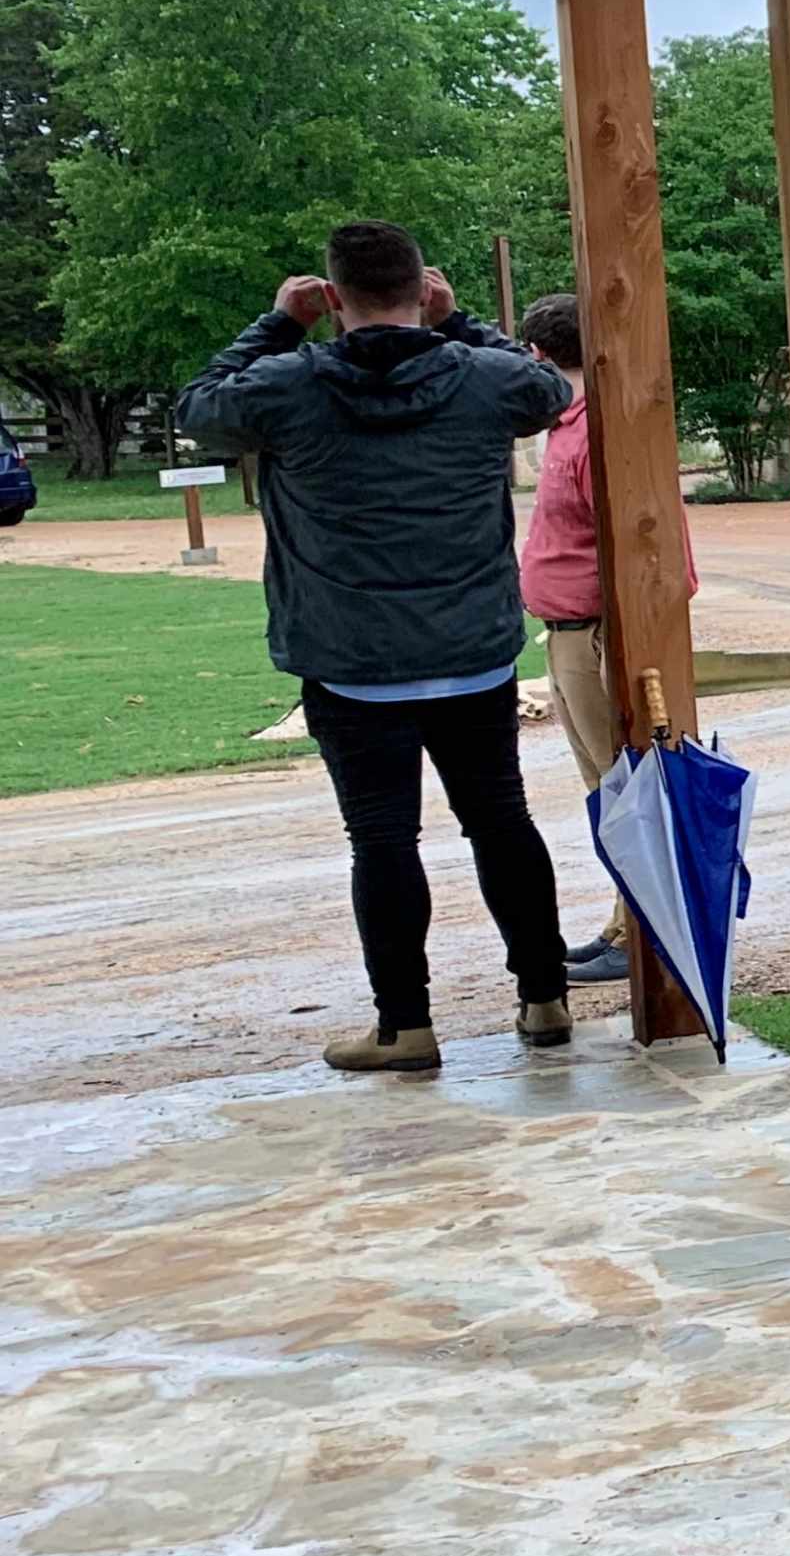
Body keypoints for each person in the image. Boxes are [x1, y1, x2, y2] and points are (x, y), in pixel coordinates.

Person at [178, 221, 576, 1073]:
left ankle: (407, 1026)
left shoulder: (287, 385)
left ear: (333, 295)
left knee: (384, 840)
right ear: (419, 288)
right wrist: (458, 320)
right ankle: (544, 998)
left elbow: (197, 408)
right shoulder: (481, 378)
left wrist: (279, 323)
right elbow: (548, 391)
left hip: (352, 663)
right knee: (501, 822)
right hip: (472, 652)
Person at [515, 292, 697, 988]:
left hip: (596, 635)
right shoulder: (569, 425)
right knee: (604, 786)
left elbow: (650, 548)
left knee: (626, 785)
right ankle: (626, 921)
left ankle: (645, 934)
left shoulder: (599, 431)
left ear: (537, 356)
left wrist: (618, 642)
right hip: (566, 632)